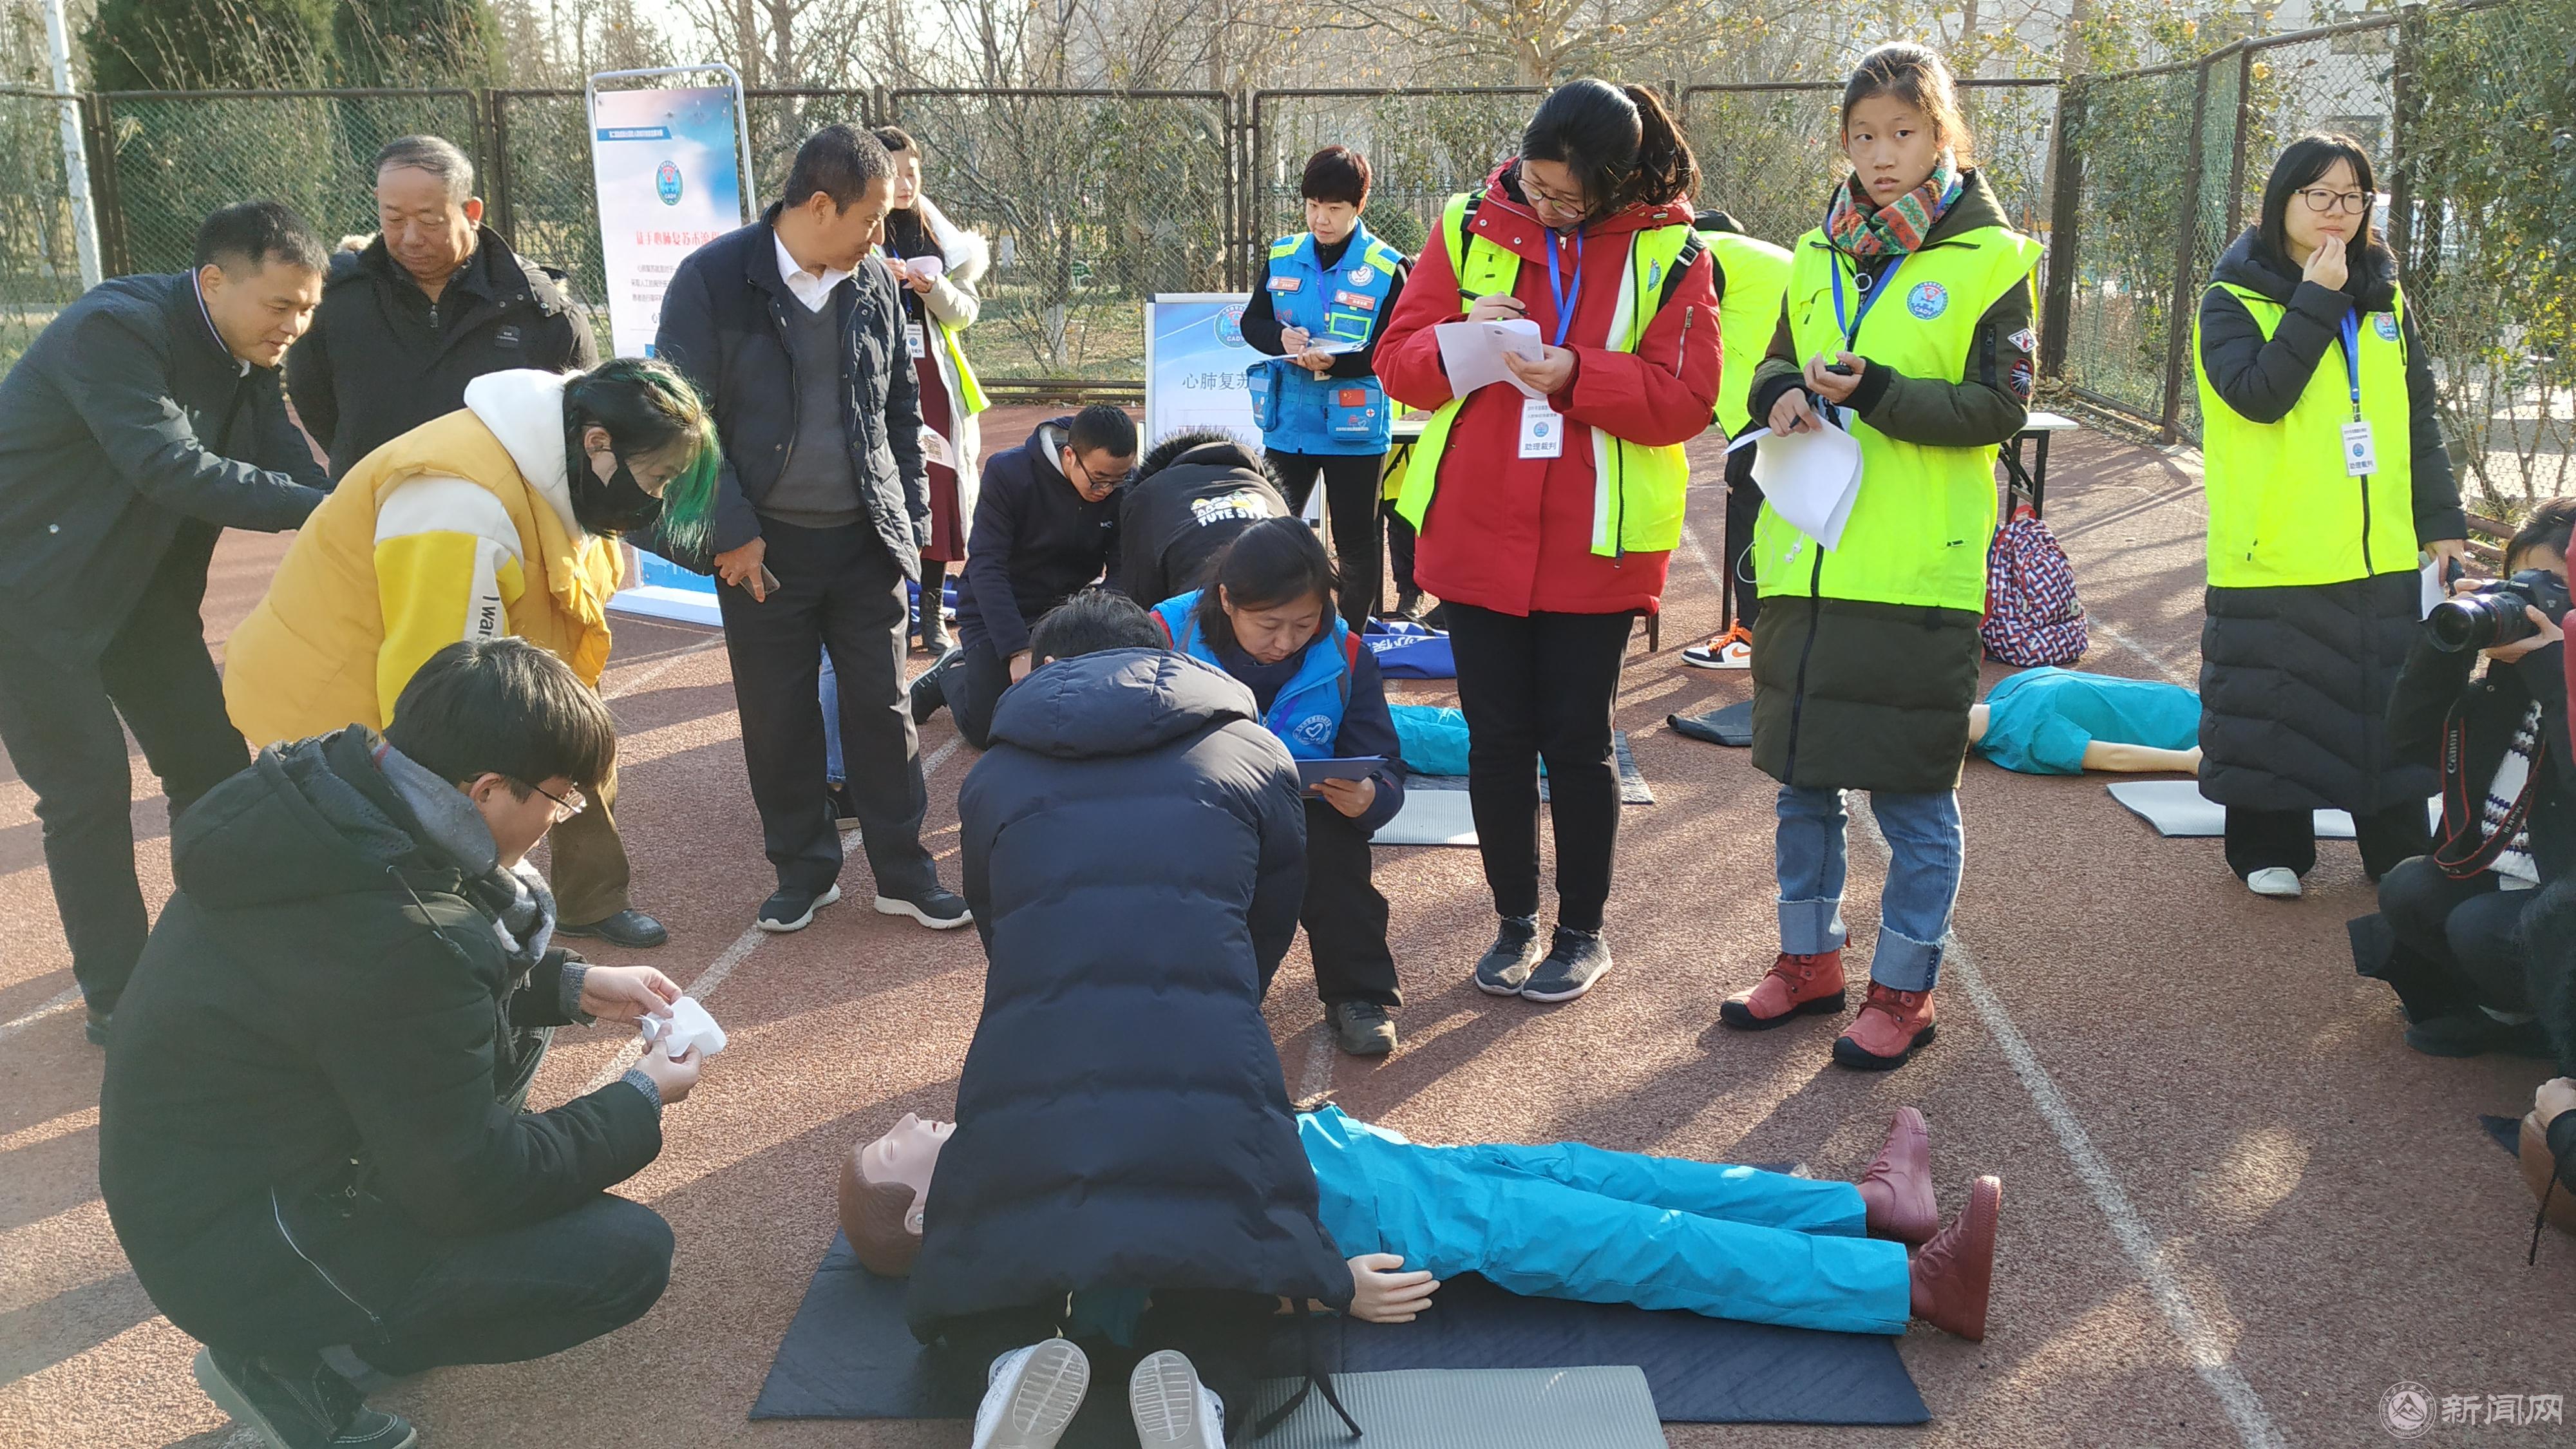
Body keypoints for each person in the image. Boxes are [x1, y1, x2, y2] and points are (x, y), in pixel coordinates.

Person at [99, 639, 700, 1449]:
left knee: (512, 1035)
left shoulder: (330, 807)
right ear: (487, 790)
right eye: (561, 802)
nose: (557, 822)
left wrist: (565, 986)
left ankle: (328, 1302)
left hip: (202, 1192)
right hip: (250, 1250)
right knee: (623, 1258)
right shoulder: (407, 935)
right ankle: (298, 1357)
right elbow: (473, 1181)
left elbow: (353, 998)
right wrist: (639, 1098)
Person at [922, 589, 1361, 1449]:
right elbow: (1273, 910)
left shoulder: (994, 775)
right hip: (1211, 1041)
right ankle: (1200, 1378)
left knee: (989, 1242)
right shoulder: (1255, 750)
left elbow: (996, 917)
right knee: (1236, 1249)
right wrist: (1217, 995)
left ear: (1048, 669)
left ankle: (1007, 1359)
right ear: (1160, 652)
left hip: (1033, 1040)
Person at [1717, 44, 2044, 1072]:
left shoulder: (1993, 259)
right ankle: (1808, 962)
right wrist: (1780, 392)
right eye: (1863, 136)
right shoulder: (1816, 251)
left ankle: (1905, 989)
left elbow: (2001, 407)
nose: (1882, 155)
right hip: (1809, 563)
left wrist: (1880, 392)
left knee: (1912, 800)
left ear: (1942, 135)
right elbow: (1771, 360)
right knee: (1802, 787)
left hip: (1915, 576)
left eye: (1902, 133)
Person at [1376, 79, 1721, 1006]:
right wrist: (1458, 338)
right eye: (1535, 186)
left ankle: (1581, 933)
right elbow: (1398, 364)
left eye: (1569, 199)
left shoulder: (1674, 252)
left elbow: (1686, 400)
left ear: (1616, 185)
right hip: (1475, 528)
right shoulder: (1467, 225)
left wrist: (1577, 373)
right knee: (1495, 741)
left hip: (1596, 541)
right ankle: (1513, 922)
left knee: (1576, 742)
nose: (1546, 207)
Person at [220, 360, 720, 950]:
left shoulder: (564, 459)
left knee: (549, 774)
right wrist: (465, 870)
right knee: (383, 874)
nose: (656, 498)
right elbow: (439, 704)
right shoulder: (461, 507)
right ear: (597, 444)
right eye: (658, 478)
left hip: (461, 662)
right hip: (341, 692)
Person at [0, 200, 331, 1045]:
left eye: (306, 308)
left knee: (212, 765)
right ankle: (121, 1000)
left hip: (136, 594)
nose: (294, 326)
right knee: (87, 792)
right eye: (280, 304)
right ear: (214, 281)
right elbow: (169, 467)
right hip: (24, 599)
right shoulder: (113, 330)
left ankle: (220, 953)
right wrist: (323, 510)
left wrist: (350, 502)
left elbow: (283, 458)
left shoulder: (251, 351)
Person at [846, 1104, 2001, 1342]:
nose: (911, 1120)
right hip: (1389, 1215)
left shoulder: (1030, 1154)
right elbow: (1167, 1282)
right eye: (898, 1144)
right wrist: (1324, 1282)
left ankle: (1864, 1207)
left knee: (1600, 1173)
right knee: (1642, 1242)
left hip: (1373, 1162)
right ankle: (1908, 1290)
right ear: (924, 1207)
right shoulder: (1046, 1236)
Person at [654, 123, 970, 934]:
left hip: (865, 543)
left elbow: (899, 411)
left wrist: (910, 522)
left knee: (883, 710)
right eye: (871, 218)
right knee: (778, 716)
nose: (880, 236)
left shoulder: (872, 282)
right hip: (761, 549)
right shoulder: (712, 280)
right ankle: (803, 870)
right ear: (821, 205)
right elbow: (683, 426)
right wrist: (731, 531)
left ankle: (905, 872)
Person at [2194, 131, 2467, 900]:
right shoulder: (2231, 299)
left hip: (2379, 550)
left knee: (2386, 701)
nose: (2336, 210)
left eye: (2352, 196)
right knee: (2275, 702)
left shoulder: (2386, 299)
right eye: (2318, 194)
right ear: (2281, 201)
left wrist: (2440, 523)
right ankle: (2267, 848)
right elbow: (2257, 395)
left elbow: (2417, 422)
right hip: (2274, 549)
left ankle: (2394, 844)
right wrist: (2316, 298)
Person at [1148, 518, 1408, 1056]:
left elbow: (1384, 761)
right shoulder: (1165, 637)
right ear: (1227, 600)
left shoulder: (1347, 654)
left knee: (1337, 859)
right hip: (1191, 802)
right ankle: (1192, 994)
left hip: (1302, 802)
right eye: (1268, 625)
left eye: (1304, 623)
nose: (1286, 642)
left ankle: (1358, 994)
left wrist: (1371, 796)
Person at [2363, 500, 2575, 1057]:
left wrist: (2557, 669)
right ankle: (2506, 1013)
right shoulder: (2508, 683)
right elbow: (2409, 741)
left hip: (2565, 897)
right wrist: (2444, 647)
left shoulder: (2551, 676)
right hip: (2504, 876)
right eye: (2518, 583)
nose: (2528, 601)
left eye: (2552, 587)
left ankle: (2551, 1026)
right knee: (2411, 890)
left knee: (2478, 927)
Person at [285, 134, 600, 480]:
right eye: (394, 219)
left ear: (472, 212)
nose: (411, 238)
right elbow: (313, 401)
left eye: (429, 221)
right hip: (371, 501)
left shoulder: (541, 309)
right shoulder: (335, 299)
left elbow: (580, 428)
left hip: (502, 508)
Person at [1241, 146, 1412, 632]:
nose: (1321, 219)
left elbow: (1394, 346)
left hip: (1353, 429)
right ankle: (1270, 634)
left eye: (1334, 208)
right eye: (1313, 205)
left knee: (1356, 544)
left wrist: (1339, 363)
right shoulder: (1282, 256)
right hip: (1288, 425)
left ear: (1359, 206)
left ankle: (1350, 642)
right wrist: (1280, 339)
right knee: (1272, 534)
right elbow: (1253, 322)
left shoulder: (1387, 266)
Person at [912, 404, 1138, 748]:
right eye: (1099, 479)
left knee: (1083, 714)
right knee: (988, 729)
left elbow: (1123, 569)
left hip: (1065, 609)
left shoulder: (1124, 486)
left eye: (1117, 480)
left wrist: (1099, 622)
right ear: (1069, 455)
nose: (1106, 490)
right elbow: (987, 567)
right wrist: (1017, 649)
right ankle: (951, 672)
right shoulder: (1008, 472)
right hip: (999, 608)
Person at [874, 124, 989, 654]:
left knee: (938, 489)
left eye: (912, 172)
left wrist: (932, 287)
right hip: (877, 380)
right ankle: (892, 609)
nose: (904, 184)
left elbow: (965, 312)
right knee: (887, 487)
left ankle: (933, 614)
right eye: (894, 173)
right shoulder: (857, 229)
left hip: (933, 382)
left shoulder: (938, 233)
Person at [1679, 208, 1794, 671]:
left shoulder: (1702, 253)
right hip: (1794, 389)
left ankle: (1750, 635)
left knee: (1750, 509)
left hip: (1771, 399)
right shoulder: (1750, 254)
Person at [1115, 428, 1291, 609]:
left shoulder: (1147, 498)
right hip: (1283, 597)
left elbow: (1139, 601)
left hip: (1195, 602)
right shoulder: (1272, 493)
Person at [1968, 667, 2204, 775]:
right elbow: (2113, 756)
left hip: (2184, 724)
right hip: (2178, 707)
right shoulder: (2009, 688)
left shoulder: (2028, 737)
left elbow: (2114, 757)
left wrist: (2185, 761)